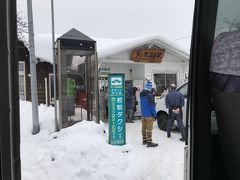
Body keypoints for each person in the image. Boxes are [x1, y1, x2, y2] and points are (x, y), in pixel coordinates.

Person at [140, 80, 158, 147]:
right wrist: (155, 115)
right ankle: (149, 142)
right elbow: (152, 107)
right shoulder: (150, 96)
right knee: (149, 129)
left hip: (143, 114)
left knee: (143, 128)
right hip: (149, 115)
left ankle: (144, 140)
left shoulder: (141, 94)